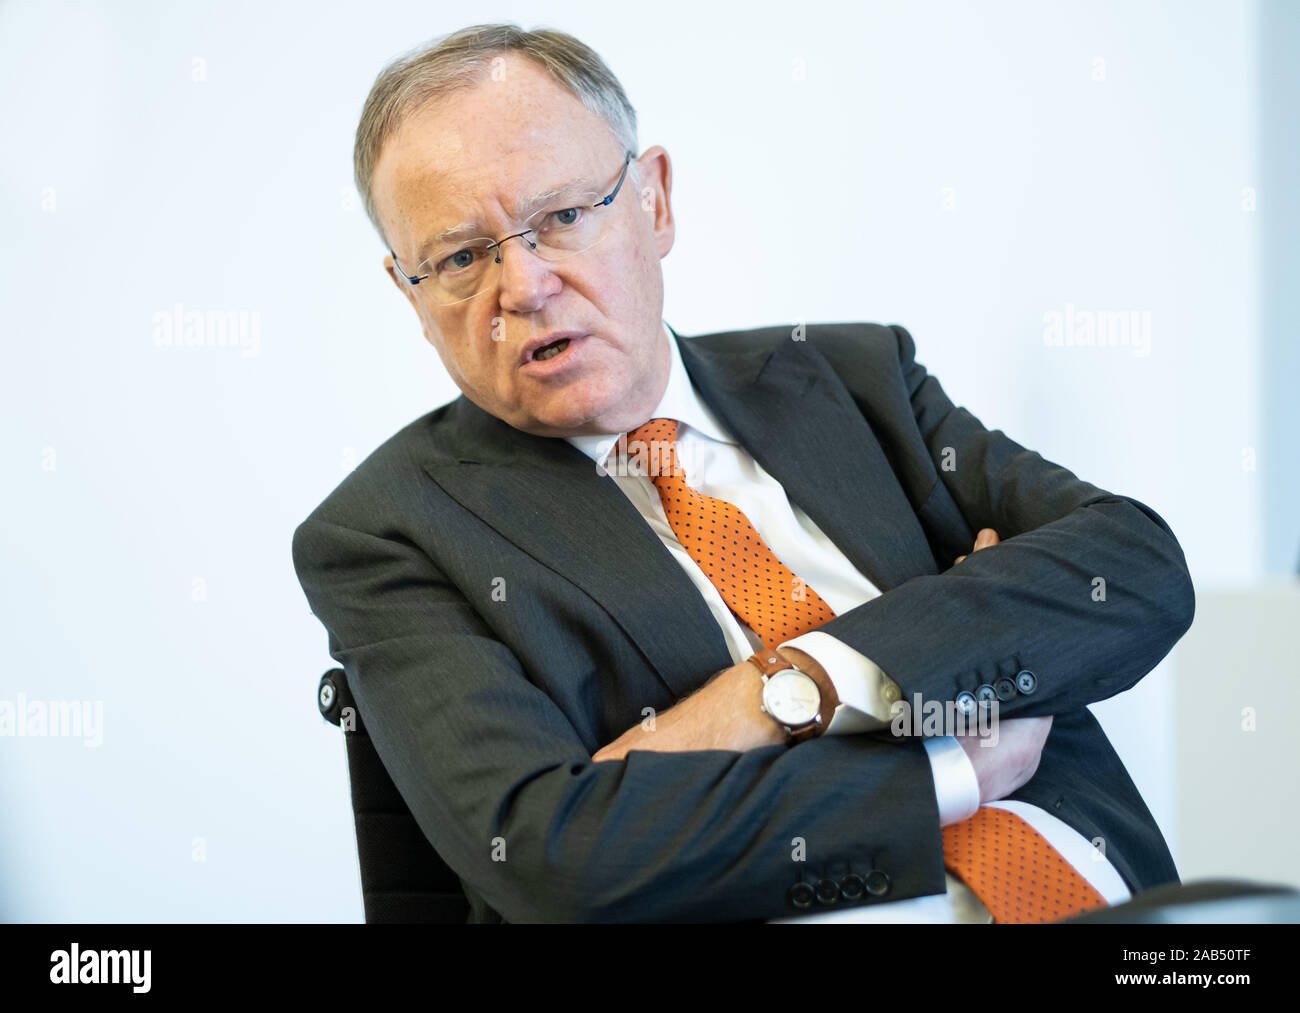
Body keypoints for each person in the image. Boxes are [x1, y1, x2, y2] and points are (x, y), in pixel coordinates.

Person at [292, 23, 1194, 923]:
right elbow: (552, 857)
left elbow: (1135, 569)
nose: (523, 286)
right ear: (410, 294)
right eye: (459, 257)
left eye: (563, 216)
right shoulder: (388, 531)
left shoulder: (855, 379)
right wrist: (945, 762)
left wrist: (793, 686)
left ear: (654, 201)